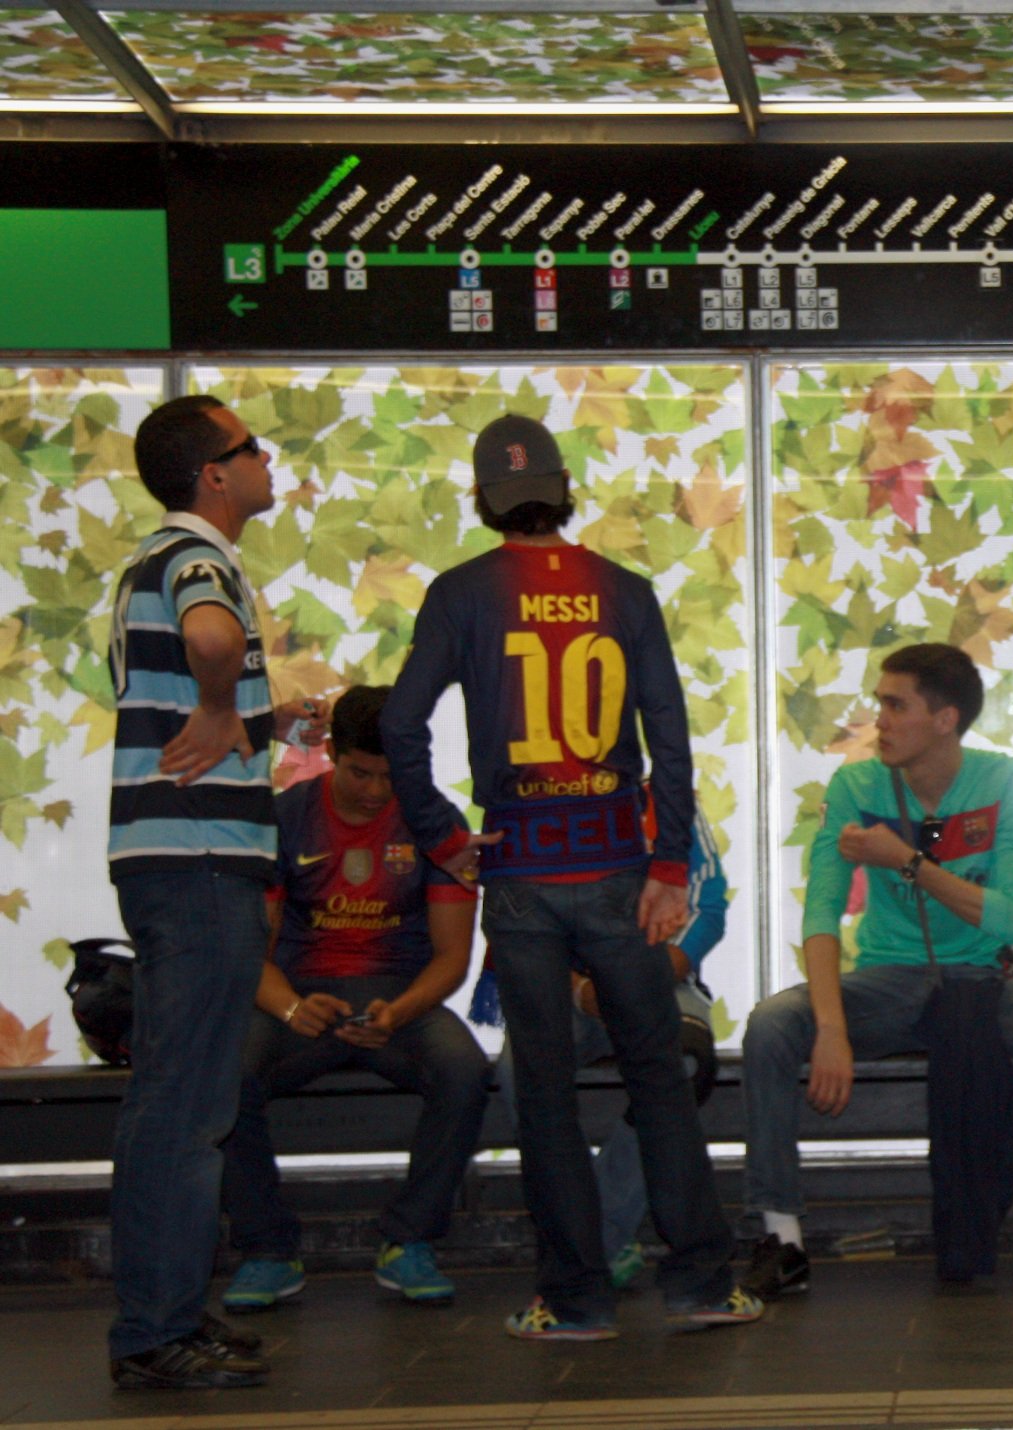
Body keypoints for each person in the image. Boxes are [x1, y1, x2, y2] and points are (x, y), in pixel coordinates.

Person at [380, 413, 758, 1341]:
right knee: (657, 1079)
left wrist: (444, 837)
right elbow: (667, 738)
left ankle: (576, 1301)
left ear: (483, 500)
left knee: (542, 1092)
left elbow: (399, 726)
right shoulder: (624, 591)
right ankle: (704, 1285)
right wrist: (669, 864)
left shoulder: (462, 593)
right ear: (566, 489)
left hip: (519, 873)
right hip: (619, 870)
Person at [741, 642, 1013, 1298]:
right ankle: (780, 1238)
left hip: (987, 979)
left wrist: (907, 861)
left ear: (944, 720)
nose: (878, 719)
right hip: (891, 980)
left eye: (894, 705)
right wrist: (829, 1026)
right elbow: (821, 917)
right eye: (880, 703)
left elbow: (1004, 919)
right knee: (772, 1024)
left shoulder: (1006, 783)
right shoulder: (854, 785)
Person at [104, 396, 299, 1389]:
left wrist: (265, 716)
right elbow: (212, 639)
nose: (268, 459)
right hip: (196, 863)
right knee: (182, 1101)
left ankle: (174, 1307)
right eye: (250, 448)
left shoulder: (158, 563)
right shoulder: (194, 557)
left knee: (193, 1099)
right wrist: (224, 701)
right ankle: (149, 1328)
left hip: (188, 856)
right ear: (213, 475)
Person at [217, 685, 491, 1312]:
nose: (373, 791)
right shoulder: (283, 821)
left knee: (464, 1070)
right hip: (297, 997)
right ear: (333, 751)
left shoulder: (438, 825)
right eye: (359, 772)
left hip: (398, 1002)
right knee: (227, 1071)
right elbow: (248, 958)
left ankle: (409, 1241)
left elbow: (452, 958)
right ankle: (267, 1250)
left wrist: (402, 1011)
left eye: (389, 776)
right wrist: (290, 1007)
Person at [489, 801, 729, 1291]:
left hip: (663, 978)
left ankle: (596, 1237)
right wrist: (581, 989)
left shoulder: (662, 803)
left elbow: (710, 907)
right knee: (519, 1069)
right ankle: (588, 1234)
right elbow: (519, 925)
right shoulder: (535, 807)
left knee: (688, 1057)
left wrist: (645, 978)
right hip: (573, 987)